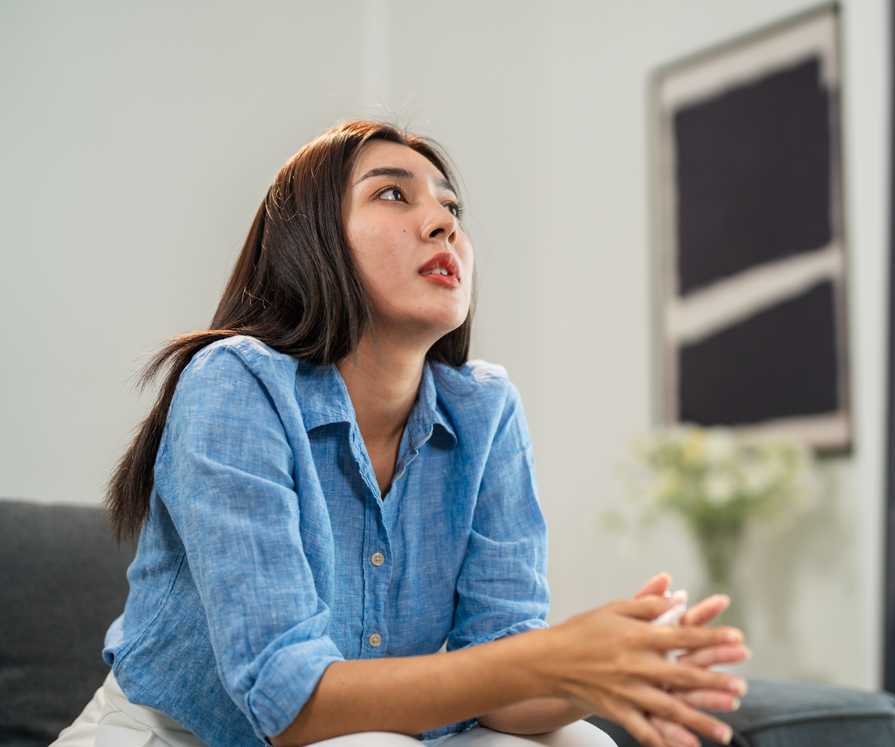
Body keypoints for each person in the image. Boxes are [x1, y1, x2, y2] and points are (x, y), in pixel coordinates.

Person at [51, 120, 750, 747]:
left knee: (577, 741)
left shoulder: (486, 410)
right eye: (394, 195)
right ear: (313, 238)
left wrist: (605, 673)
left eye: (452, 207)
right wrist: (547, 656)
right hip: (183, 735)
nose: (443, 224)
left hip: (366, 732)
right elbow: (286, 699)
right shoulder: (235, 383)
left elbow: (505, 669)